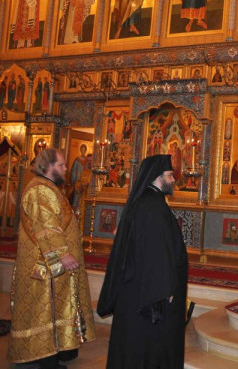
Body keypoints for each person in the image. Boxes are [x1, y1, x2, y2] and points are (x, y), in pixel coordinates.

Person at [8, 148, 96, 368]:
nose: (66, 169)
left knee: (54, 308)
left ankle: (59, 351)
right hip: (46, 263)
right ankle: (46, 359)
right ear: (47, 166)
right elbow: (46, 227)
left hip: (49, 260)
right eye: (62, 165)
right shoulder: (40, 190)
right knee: (45, 311)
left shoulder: (48, 187)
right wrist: (62, 253)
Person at [97, 155, 188, 368]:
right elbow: (155, 252)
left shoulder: (148, 201)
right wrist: (165, 288)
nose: (173, 180)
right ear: (158, 177)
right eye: (170, 175)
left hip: (140, 286)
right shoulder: (151, 206)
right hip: (149, 292)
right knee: (146, 343)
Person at [69, 144, 89, 209]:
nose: (83, 151)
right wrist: (73, 181)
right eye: (82, 150)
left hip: (84, 182)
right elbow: (73, 171)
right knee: (76, 199)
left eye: (84, 150)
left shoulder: (87, 161)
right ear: (80, 150)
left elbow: (88, 171)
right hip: (78, 182)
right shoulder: (77, 160)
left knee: (82, 199)